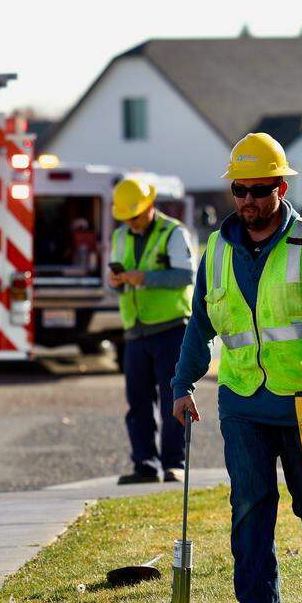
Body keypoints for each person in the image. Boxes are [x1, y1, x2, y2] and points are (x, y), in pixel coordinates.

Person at [171, 133, 302, 603]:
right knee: (250, 506)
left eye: (259, 189)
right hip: (241, 402)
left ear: (280, 188)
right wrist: (182, 383)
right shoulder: (215, 249)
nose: (248, 200)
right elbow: (201, 326)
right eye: (240, 189)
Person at [108, 178, 196, 484]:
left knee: (174, 398)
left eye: (134, 215)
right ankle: (144, 464)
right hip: (135, 331)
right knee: (138, 403)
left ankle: (174, 463)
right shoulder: (120, 235)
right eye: (125, 217)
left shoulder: (173, 232)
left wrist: (143, 278)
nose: (130, 222)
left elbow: (185, 275)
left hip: (170, 328)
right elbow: (116, 279)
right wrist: (118, 282)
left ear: (149, 206)